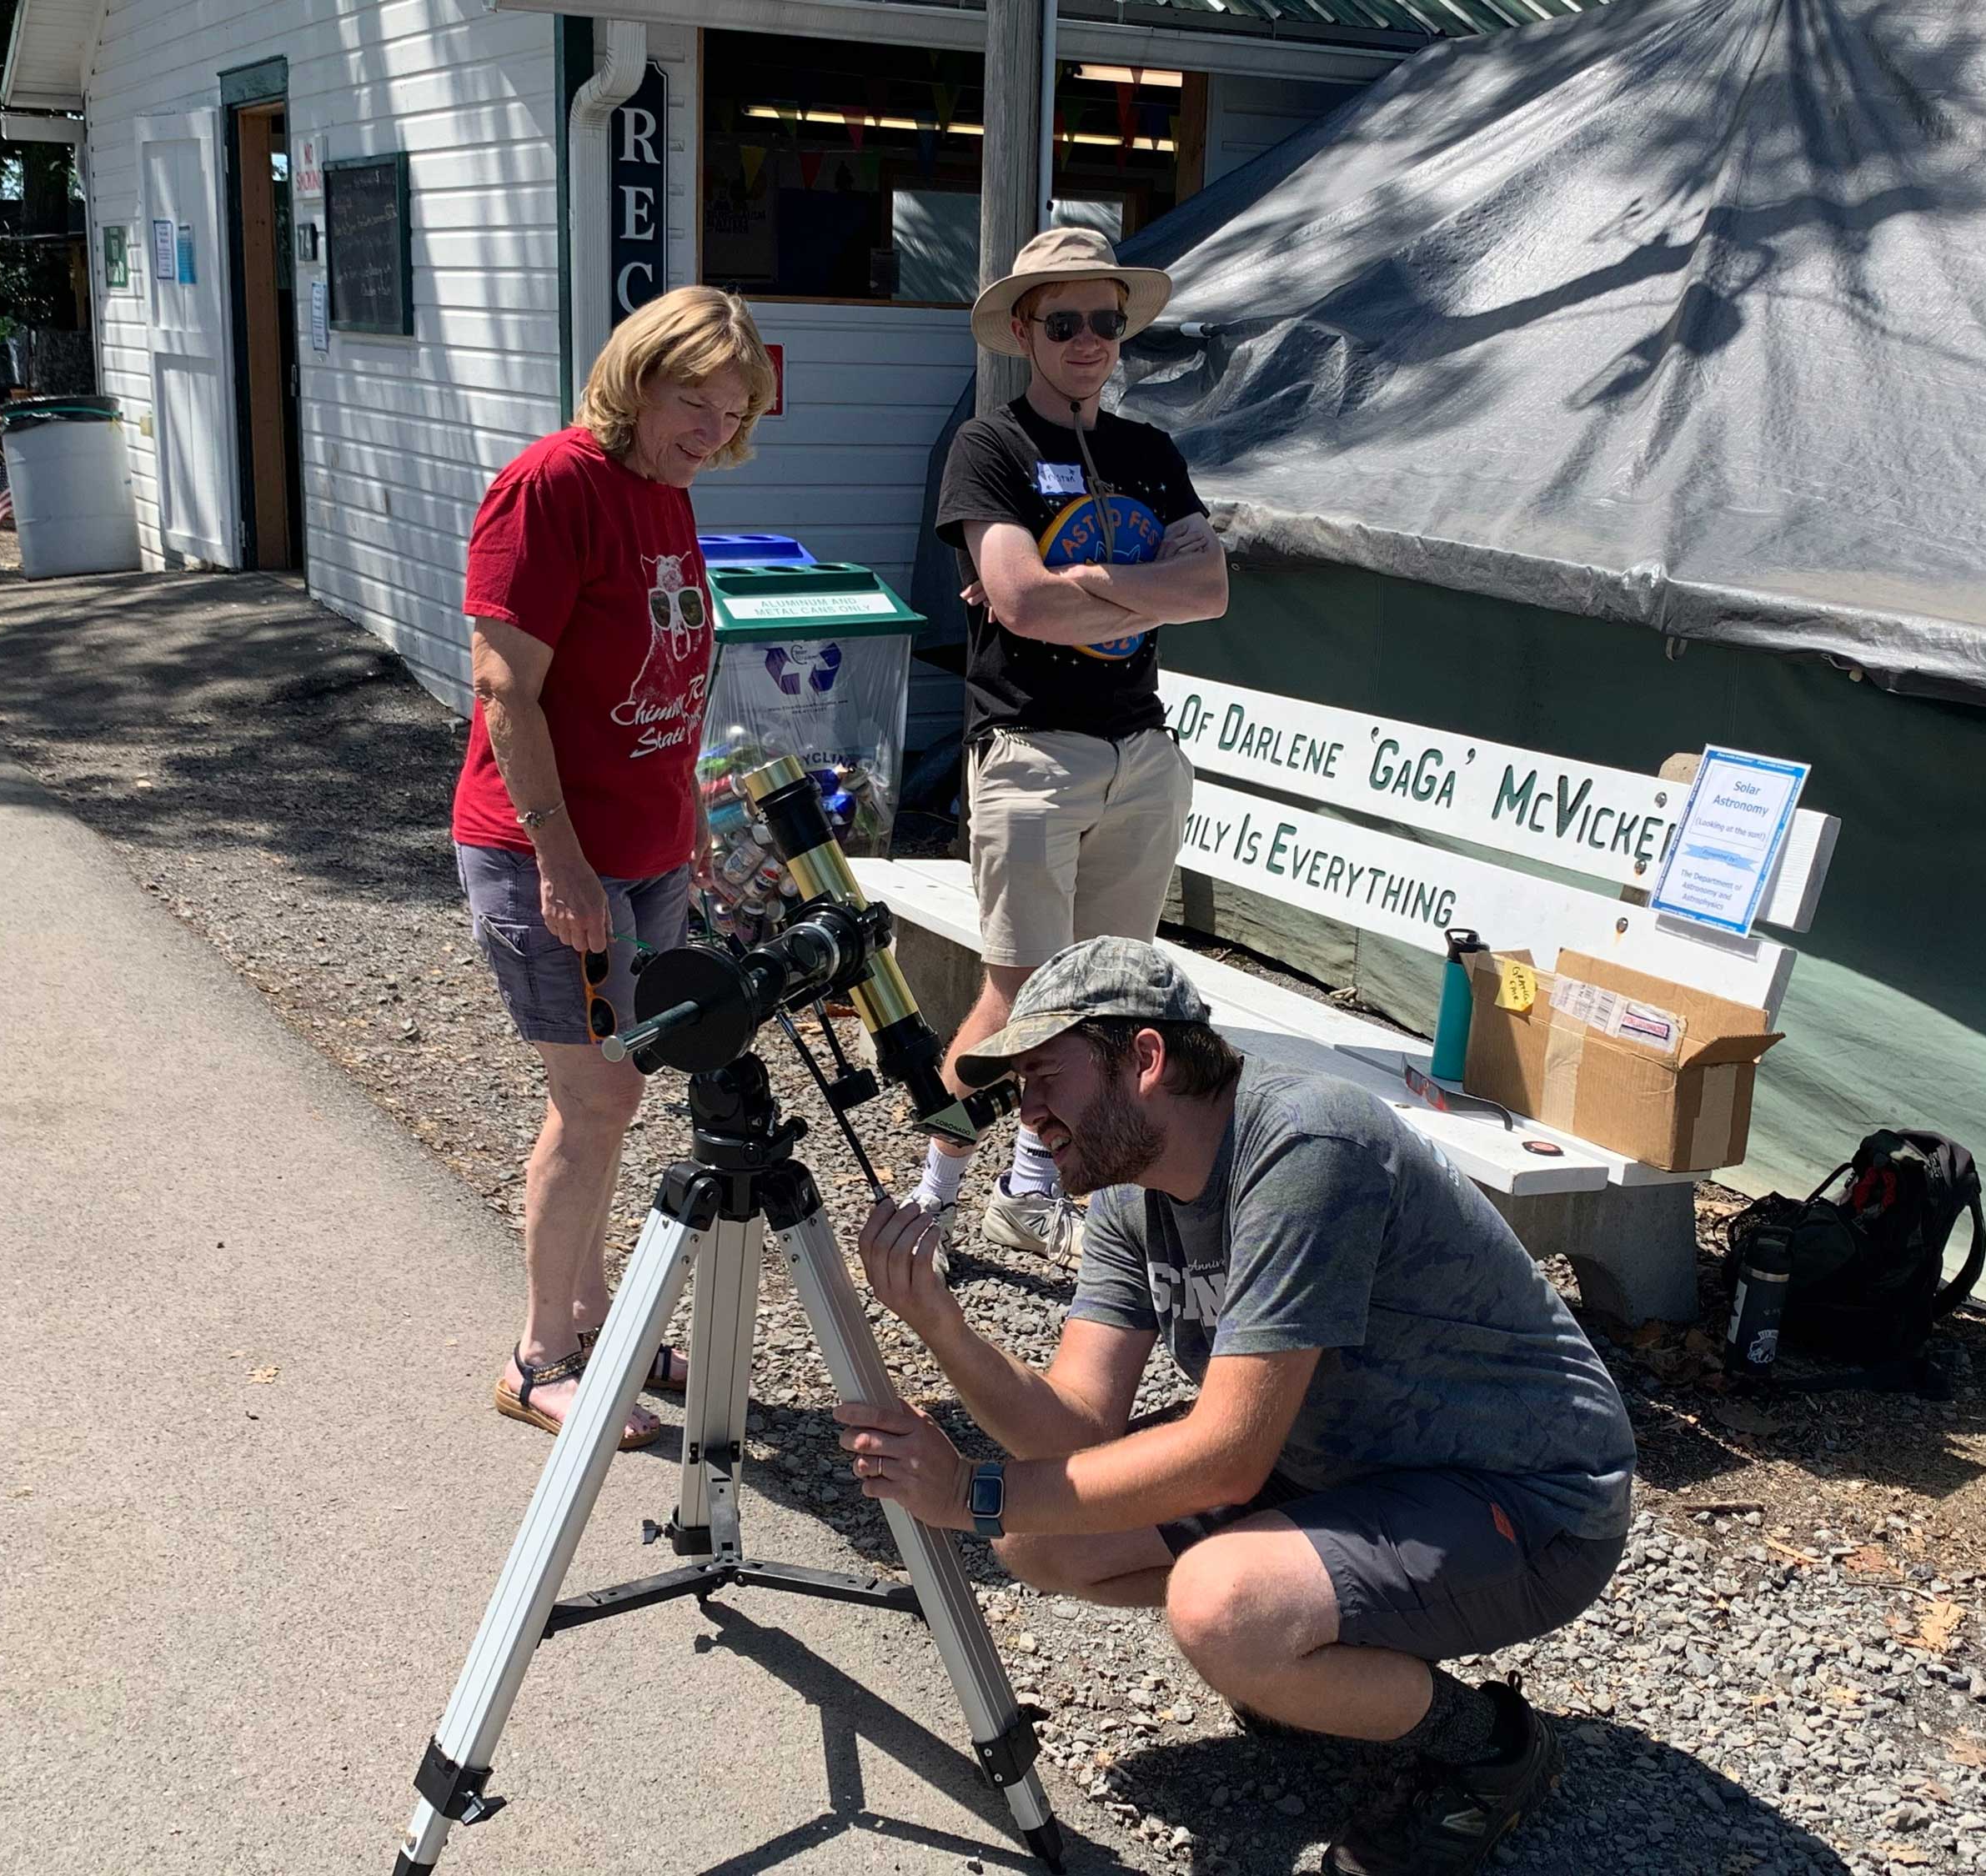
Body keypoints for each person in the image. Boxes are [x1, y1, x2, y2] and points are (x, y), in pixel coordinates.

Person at [837, 937, 1637, 1874]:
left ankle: (1491, 1745)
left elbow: (1227, 1457)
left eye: (1045, 1076)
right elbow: (1076, 1430)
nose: (1030, 1114)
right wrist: (943, 1326)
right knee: (1044, 1538)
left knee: (1224, 1610)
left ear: (1145, 1057)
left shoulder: (1306, 1144)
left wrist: (972, 1493)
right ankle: (1320, 1661)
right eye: (1017, 1088)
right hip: (1349, 1470)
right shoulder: (1136, 1198)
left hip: (1531, 1499)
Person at [451, 287, 776, 1450]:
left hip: (644, 850)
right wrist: (561, 855)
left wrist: (680, 794)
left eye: (732, 409)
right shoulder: (554, 486)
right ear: (635, 378)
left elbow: (667, 668)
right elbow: (506, 688)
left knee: (615, 1092)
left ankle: (594, 1316)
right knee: (596, 1099)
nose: (710, 426)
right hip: (551, 851)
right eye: (692, 398)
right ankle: (539, 1354)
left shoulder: (666, 493)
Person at [921, 227, 1231, 1267]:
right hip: (1030, 750)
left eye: (1106, 319)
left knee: (1113, 999)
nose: (1089, 338)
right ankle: (941, 1183)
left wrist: (1080, 590)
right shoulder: (990, 445)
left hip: (1139, 751)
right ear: (1025, 331)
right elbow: (1014, 598)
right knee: (1017, 995)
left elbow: (1212, 590)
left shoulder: (1150, 452)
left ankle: (1056, 1189)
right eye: (1065, 321)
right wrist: (1105, 594)